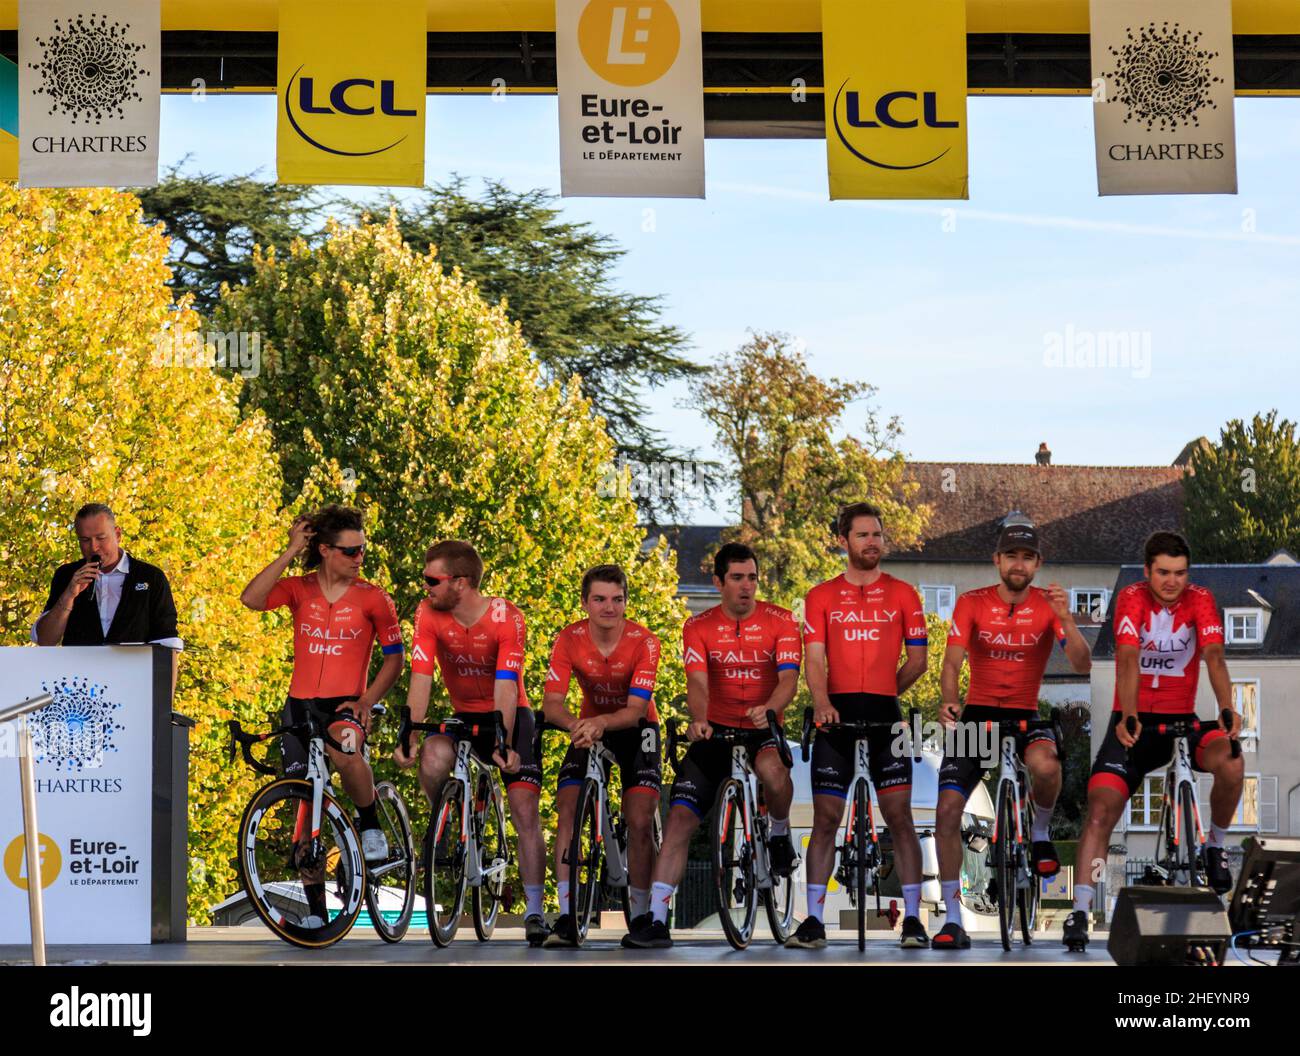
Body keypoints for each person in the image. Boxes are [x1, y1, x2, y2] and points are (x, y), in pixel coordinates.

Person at [1063, 531, 1243, 952]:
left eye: (1180, 573)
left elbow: (1214, 656)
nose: (1171, 581)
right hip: (1134, 722)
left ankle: (1214, 846)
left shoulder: (1200, 599)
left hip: (1182, 721)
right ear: (1147, 571)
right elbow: (1127, 659)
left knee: (1233, 760)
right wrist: (1128, 713)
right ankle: (1081, 909)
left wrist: (1227, 705)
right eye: (1162, 572)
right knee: (1101, 811)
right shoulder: (1132, 598)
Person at [622, 542, 801, 949]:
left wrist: (770, 709)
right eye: (737, 578)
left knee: (775, 772)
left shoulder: (782, 621)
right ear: (718, 581)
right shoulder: (697, 626)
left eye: (752, 578)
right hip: (715, 730)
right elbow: (697, 682)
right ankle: (657, 918)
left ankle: (777, 831)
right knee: (679, 822)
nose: (746, 586)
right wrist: (699, 719)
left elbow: (789, 678)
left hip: (762, 727)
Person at [240, 505, 406, 927]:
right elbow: (252, 598)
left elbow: (395, 660)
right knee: (303, 803)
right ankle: (316, 911)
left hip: (346, 704)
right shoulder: (298, 588)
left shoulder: (373, 598)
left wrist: (367, 701)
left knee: (347, 752)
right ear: (326, 550)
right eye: (350, 551)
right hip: (300, 705)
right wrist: (290, 550)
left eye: (362, 550)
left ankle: (369, 822)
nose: (359, 558)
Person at [929, 521, 1091, 951]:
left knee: (1047, 766)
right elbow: (951, 664)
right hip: (978, 716)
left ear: (1037, 564)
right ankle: (951, 916)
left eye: (1028, 557)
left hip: (1025, 714)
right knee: (946, 811)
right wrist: (949, 700)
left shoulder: (1046, 604)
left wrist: (1066, 620)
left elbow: (1081, 664)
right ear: (997, 560)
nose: (1019, 565)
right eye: (1012, 556)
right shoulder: (972, 603)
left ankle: (1038, 832)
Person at [786, 502, 929, 950]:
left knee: (901, 818)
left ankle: (912, 920)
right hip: (836, 715)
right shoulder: (820, 596)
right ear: (844, 541)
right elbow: (813, 659)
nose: (872, 542)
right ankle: (812, 920)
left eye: (878, 534)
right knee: (826, 818)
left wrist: (889, 692)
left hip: (887, 715)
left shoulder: (905, 594)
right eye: (863, 535)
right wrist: (823, 703)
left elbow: (919, 660)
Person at [394, 539, 549, 947]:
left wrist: (503, 739)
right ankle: (447, 819)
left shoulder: (505, 617)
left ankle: (535, 910)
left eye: (433, 578)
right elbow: (421, 677)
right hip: (464, 715)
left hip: (510, 713)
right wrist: (410, 730)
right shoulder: (428, 612)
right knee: (432, 757)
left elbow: (505, 688)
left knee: (523, 810)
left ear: (460, 583)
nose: (425, 586)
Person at [541, 564, 663, 948]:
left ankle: (642, 915)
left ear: (626, 602)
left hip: (636, 728)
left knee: (640, 819)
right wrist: (579, 725)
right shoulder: (569, 639)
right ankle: (565, 913)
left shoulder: (646, 642)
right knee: (567, 807)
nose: (609, 608)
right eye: (600, 599)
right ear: (585, 603)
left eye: (617, 600)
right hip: (588, 726)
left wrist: (597, 723)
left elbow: (635, 709)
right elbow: (551, 705)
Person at [33, 502, 183, 691]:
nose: (93, 547)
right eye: (85, 540)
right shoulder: (66, 575)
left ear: (118, 534)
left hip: (133, 690)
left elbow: (168, 647)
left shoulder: (150, 577)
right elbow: (45, 640)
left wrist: (162, 713)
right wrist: (69, 595)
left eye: (101, 538)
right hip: (78, 691)